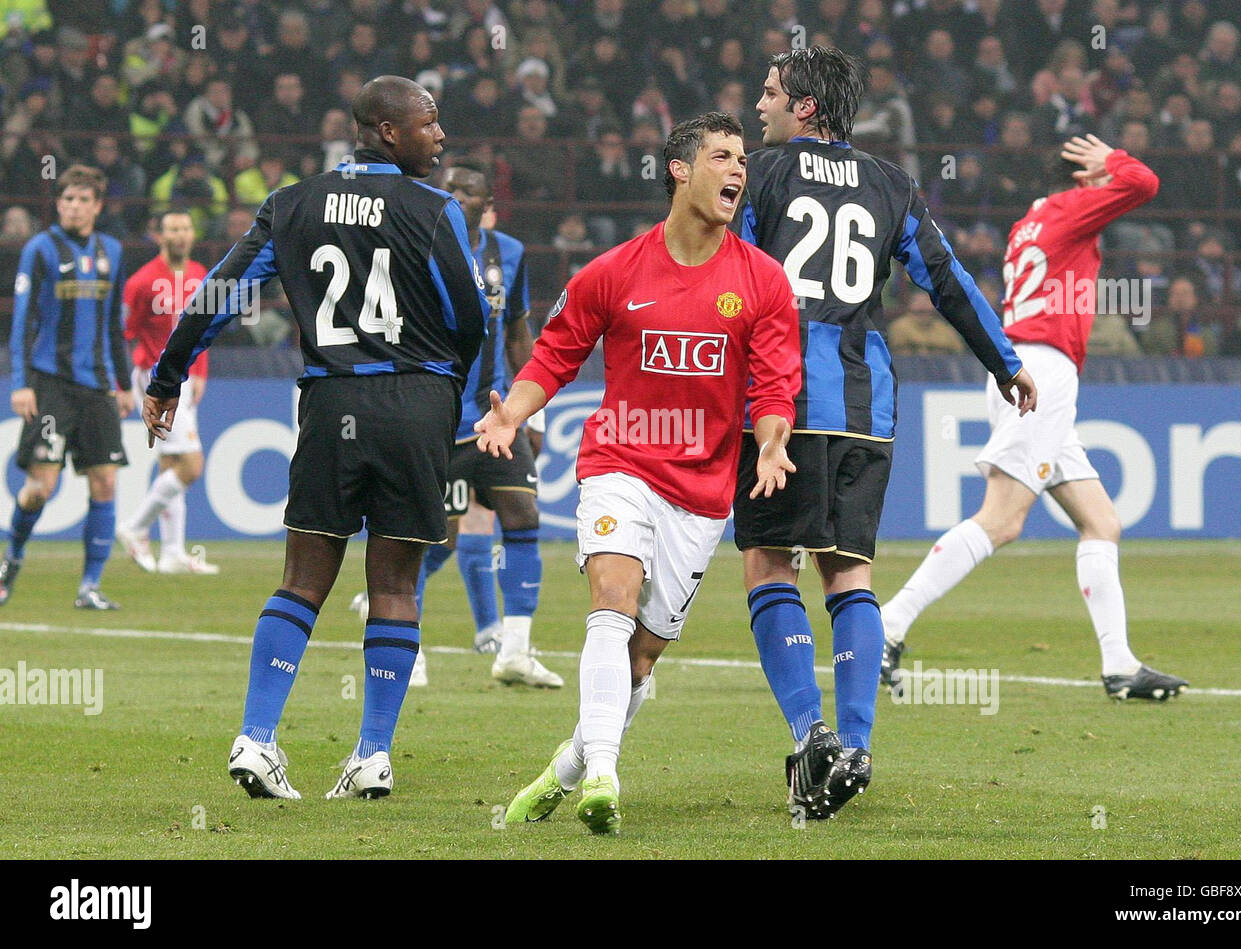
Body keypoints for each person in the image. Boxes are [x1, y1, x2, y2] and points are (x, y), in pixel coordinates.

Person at [142, 76, 489, 801]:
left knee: (303, 576)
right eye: (429, 123)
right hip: (416, 399)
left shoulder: (292, 201)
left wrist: (169, 373)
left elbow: (222, 292)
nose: (441, 135)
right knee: (395, 583)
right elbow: (470, 315)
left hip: (331, 401)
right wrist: (443, 385)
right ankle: (372, 753)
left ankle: (256, 737)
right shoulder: (435, 207)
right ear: (388, 131)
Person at [737, 46, 1036, 820]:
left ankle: (812, 734)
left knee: (771, 565)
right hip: (868, 409)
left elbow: (717, 272)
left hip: (784, 399)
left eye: (769, 94)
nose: (758, 106)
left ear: (806, 107)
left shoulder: (761, 176)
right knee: (850, 575)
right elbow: (947, 282)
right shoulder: (893, 183)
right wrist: (1003, 361)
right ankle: (859, 742)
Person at [487, 112, 801, 835]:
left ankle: (571, 762)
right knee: (613, 594)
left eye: (744, 159)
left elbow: (774, 386)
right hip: (620, 460)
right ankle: (604, 772)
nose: (738, 170)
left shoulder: (763, 282)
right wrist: (513, 413)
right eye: (722, 156)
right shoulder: (615, 271)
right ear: (680, 170)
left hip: (702, 491)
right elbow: (554, 355)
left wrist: (775, 440)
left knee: (643, 653)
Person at [880, 134, 1188, 703]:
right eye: (1096, 176)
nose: (1106, 188)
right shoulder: (1074, 207)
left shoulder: (1029, 221)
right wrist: (1112, 162)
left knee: (1101, 522)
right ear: (1081, 177)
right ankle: (888, 624)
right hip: (1042, 374)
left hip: (1022, 366)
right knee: (1001, 520)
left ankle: (1120, 665)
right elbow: (1144, 182)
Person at [351, 159, 560, 689]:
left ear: (487, 204)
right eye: (448, 189)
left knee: (522, 512)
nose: (457, 196)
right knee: (426, 537)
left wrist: (530, 407)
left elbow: (518, 333)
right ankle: (407, 651)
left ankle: (513, 648)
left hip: (495, 418)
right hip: (432, 419)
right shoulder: (406, 247)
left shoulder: (507, 254)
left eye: (469, 191)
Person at [2, 165, 134, 611]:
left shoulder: (112, 251)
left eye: (82, 199)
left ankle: (89, 588)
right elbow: (22, 323)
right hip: (52, 384)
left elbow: (115, 328)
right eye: (66, 199)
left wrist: (124, 384)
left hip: (97, 386)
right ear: (58, 203)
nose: (73, 206)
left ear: (97, 205)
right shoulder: (39, 249)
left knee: (104, 483)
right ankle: (11, 559)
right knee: (41, 486)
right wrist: (20, 384)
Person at [117, 209, 220, 576]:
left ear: (192, 234)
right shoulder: (141, 282)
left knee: (170, 465)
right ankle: (134, 526)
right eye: (172, 229)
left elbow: (203, 330)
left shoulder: (199, 275)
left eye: (185, 228)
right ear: (159, 235)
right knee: (191, 465)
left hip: (186, 378)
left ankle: (172, 552)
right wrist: (122, 384)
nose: (179, 235)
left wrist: (201, 373)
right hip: (155, 379)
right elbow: (123, 333)